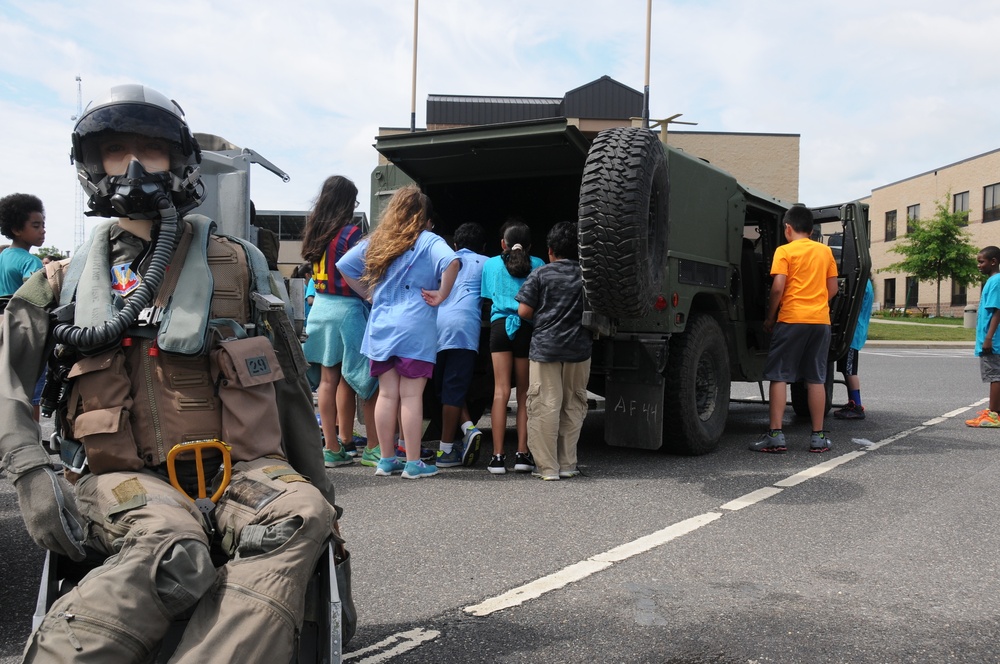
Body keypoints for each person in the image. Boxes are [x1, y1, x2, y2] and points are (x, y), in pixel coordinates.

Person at [0, 84, 339, 661]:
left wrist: (321, 488)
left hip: (242, 468)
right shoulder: (60, 282)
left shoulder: (241, 264)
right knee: (172, 544)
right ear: (91, 165)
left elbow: (287, 388)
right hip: (126, 476)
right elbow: (7, 382)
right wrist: (32, 473)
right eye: (115, 152)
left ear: (179, 160)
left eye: (149, 151)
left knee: (303, 515)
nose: (133, 167)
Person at [337, 185, 460, 479]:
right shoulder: (428, 240)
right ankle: (414, 463)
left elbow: (344, 264)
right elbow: (452, 262)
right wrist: (442, 294)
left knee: (387, 395)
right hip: (415, 328)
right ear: (423, 216)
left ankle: (386, 459)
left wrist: (368, 294)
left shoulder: (379, 240)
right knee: (411, 396)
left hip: (382, 326)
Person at [301, 176, 380, 467]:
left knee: (327, 379)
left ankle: (333, 446)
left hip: (321, 308)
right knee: (365, 378)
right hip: (347, 309)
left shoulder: (315, 231)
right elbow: (366, 268)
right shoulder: (350, 234)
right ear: (347, 201)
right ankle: (374, 446)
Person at [750, 204, 838, 454]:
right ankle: (818, 437)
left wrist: (770, 317)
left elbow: (778, 287)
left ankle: (776, 436)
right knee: (816, 378)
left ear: (788, 228)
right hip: (820, 322)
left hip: (791, 320)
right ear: (811, 229)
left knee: (780, 376)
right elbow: (833, 289)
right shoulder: (825, 252)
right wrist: (818, 303)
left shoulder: (784, 251)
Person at [516, 221, 593, 480]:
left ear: (550, 251)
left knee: (545, 405)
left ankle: (548, 468)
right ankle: (568, 463)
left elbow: (524, 311)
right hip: (579, 349)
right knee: (573, 404)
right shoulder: (587, 276)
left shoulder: (540, 274)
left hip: (545, 348)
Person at [480, 218, 543, 474]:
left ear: (502, 243)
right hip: (526, 329)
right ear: (528, 246)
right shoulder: (538, 264)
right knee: (524, 393)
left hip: (498, 329)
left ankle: (496, 457)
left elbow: (486, 300)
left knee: (500, 392)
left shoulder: (491, 264)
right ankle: (522, 454)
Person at [434, 222, 488, 468]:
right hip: (464, 331)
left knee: (446, 389)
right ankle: (446, 451)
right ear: (483, 246)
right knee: (454, 389)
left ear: (455, 245)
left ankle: (467, 429)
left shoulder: (443, 259)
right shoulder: (486, 263)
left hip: (435, 329)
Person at [0, 193, 46, 420]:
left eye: (43, 225)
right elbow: (38, 296)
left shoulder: (3, 256)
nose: (42, 230)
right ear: (17, 229)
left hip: (2, 325)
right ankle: (32, 436)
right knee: (30, 388)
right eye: (36, 225)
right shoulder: (31, 262)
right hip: (22, 329)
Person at [966, 246, 1000, 427]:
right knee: (995, 376)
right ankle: (995, 411)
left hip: (993, 341)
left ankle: (993, 415)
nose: (979, 265)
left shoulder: (996, 281)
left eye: (981, 262)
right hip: (991, 339)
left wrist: (988, 338)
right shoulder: (993, 281)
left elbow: (998, 311)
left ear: (993, 261)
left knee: (995, 376)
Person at [833, 278, 874, 419]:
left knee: (850, 371)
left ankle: (856, 406)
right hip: (856, 330)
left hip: (853, 332)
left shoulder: (862, 283)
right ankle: (853, 403)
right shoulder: (866, 282)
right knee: (847, 369)